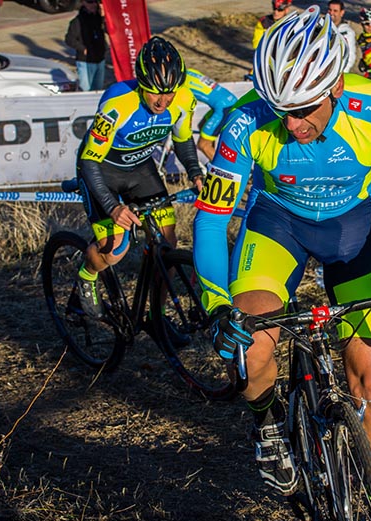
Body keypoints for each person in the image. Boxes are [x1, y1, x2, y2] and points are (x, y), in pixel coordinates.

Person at [192, 5, 371, 521]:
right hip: (277, 226)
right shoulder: (245, 121)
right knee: (250, 345)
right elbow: (212, 221)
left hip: (355, 232)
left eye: (303, 108)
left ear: (335, 87)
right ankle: (266, 425)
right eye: (279, 108)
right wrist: (217, 304)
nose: (291, 124)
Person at [75, 36, 205, 322]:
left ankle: (158, 316)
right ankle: (86, 275)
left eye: (169, 94)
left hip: (139, 169)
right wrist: (113, 207)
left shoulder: (184, 99)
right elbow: (89, 161)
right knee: (115, 249)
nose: (163, 102)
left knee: (167, 243)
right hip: (101, 170)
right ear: (141, 85)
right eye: (155, 94)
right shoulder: (118, 102)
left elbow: (183, 140)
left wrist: (195, 172)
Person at [185, 68, 238, 161]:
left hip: (223, 108)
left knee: (203, 145)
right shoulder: (189, 71)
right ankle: (213, 159)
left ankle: (223, 168)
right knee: (202, 126)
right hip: (228, 102)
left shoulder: (178, 84)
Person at [65, 0, 108, 91]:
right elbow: (69, 39)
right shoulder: (78, 21)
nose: (94, 5)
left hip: (100, 58)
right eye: (90, 2)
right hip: (85, 61)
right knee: (86, 88)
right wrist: (83, 49)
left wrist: (104, 17)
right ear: (83, 3)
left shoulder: (99, 18)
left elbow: (111, 31)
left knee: (98, 88)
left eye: (96, 2)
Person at [327, 0, 356, 73]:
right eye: (330, 10)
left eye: (335, 11)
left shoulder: (348, 32)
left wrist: (343, 72)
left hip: (338, 72)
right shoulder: (320, 27)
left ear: (342, 12)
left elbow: (350, 55)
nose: (331, 13)